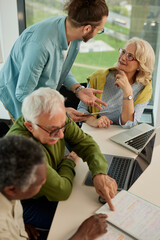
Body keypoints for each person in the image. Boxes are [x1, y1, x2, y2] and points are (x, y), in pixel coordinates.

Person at [6, 87, 117, 231]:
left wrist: (99, 172)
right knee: (78, 223)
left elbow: (86, 144)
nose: (61, 136)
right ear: (29, 126)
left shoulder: (51, 119)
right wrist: (69, 162)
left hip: (49, 182)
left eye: (63, 126)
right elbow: (62, 190)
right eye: (53, 131)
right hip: (22, 205)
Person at [0, 0, 109, 122]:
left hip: (38, 94)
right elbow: (23, 94)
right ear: (87, 28)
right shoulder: (41, 46)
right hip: (19, 96)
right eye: (100, 30)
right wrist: (59, 110)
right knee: (35, 137)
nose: (98, 32)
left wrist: (78, 89)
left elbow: (58, 67)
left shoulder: (72, 31)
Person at [0, 135, 108, 240]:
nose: (46, 181)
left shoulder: (8, 187)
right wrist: (83, 236)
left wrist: (19, 225)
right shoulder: (3, 231)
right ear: (12, 189)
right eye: (40, 182)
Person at [77, 37, 155, 128]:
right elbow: (81, 109)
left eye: (130, 56)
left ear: (140, 66)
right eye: (123, 52)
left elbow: (129, 124)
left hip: (122, 136)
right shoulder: (99, 77)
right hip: (95, 131)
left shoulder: (144, 89)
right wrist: (94, 121)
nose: (122, 57)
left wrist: (128, 92)